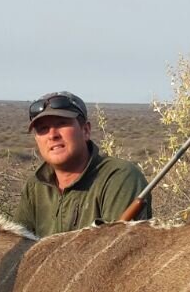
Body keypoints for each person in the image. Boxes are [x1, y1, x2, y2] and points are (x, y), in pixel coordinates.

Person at [13, 91, 150, 237]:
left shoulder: (120, 177)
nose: (52, 135)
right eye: (43, 129)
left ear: (85, 130)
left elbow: (115, 252)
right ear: (37, 140)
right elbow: (19, 245)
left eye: (62, 124)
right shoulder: (35, 186)